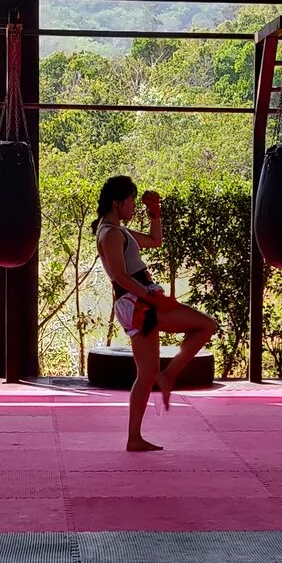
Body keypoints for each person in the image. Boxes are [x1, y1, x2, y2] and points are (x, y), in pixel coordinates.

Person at [95, 176, 217, 452]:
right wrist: (150, 296)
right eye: (132, 202)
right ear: (117, 202)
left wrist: (155, 212)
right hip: (138, 303)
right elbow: (120, 276)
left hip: (137, 302)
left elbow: (154, 240)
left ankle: (134, 438)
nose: (134, 207)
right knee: (206, 325)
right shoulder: (110, 233)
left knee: (147, 372)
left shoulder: (117, 230)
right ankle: (170, 375)